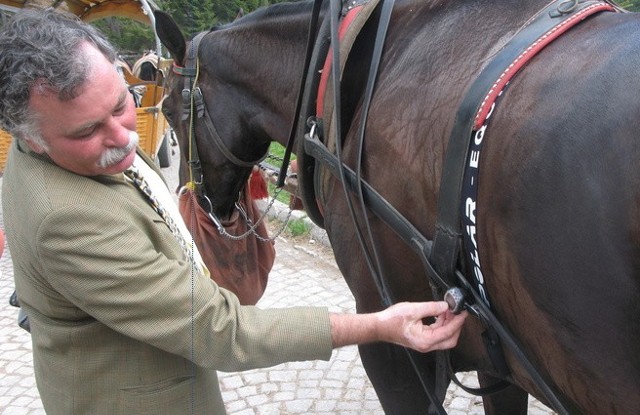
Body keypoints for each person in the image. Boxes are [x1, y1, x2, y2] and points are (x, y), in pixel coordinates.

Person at [0, 8, 467, 415]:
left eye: (123, 104)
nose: (124, 137)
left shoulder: (84, 149)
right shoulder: (66, 222)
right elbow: (220, 331)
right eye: (87, 131)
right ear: (30, 137)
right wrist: (377, 326)